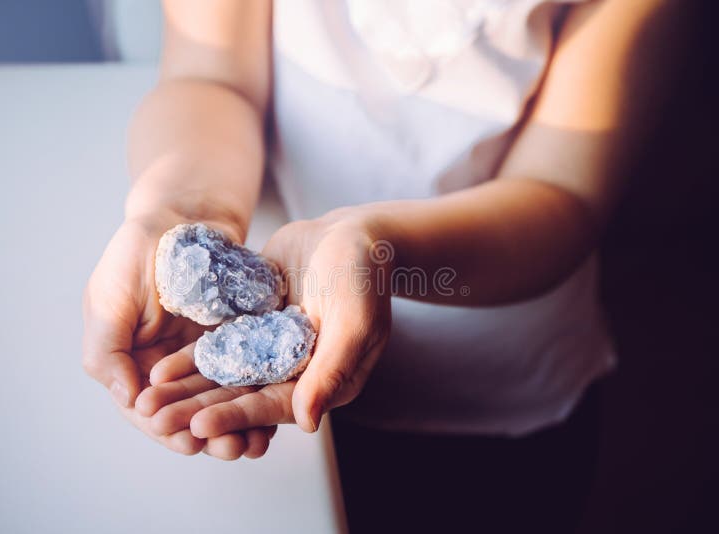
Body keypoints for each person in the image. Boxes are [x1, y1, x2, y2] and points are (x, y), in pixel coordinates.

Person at [82, 0, 675, 531]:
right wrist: (178, 209)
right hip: (297, 409)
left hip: (500, 389)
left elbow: (562, 195)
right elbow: (211, 78)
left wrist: (374, 246)